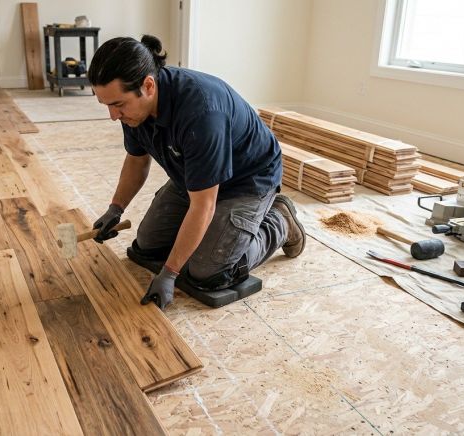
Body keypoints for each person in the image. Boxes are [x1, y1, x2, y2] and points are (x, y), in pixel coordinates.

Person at [87, 35, 305, 310]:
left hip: (246, 180)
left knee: (207, 272)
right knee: (147, 246)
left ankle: (280, 222)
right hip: (193, 175)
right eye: (107, 105)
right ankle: (213, 234)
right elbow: (136, 160)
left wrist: (169, 274)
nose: (113, 115)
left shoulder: (201, 112)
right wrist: (115, 209)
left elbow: (204, 204)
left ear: (148, 85)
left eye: (117, 105)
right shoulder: (134, 108)